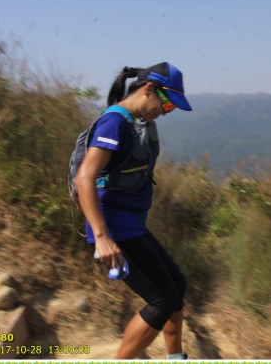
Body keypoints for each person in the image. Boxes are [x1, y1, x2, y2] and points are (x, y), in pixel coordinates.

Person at [74, 62, 192, 359]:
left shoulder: (135, 122)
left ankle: (175, 357)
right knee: (161, 301)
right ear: (149, 89)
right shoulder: (115, 123)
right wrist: (102, 237)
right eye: (167, 103)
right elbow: (85, 176)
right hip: (114, 227)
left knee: (176, 286)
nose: (167, 111)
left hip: (131, 224)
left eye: (172, 108)